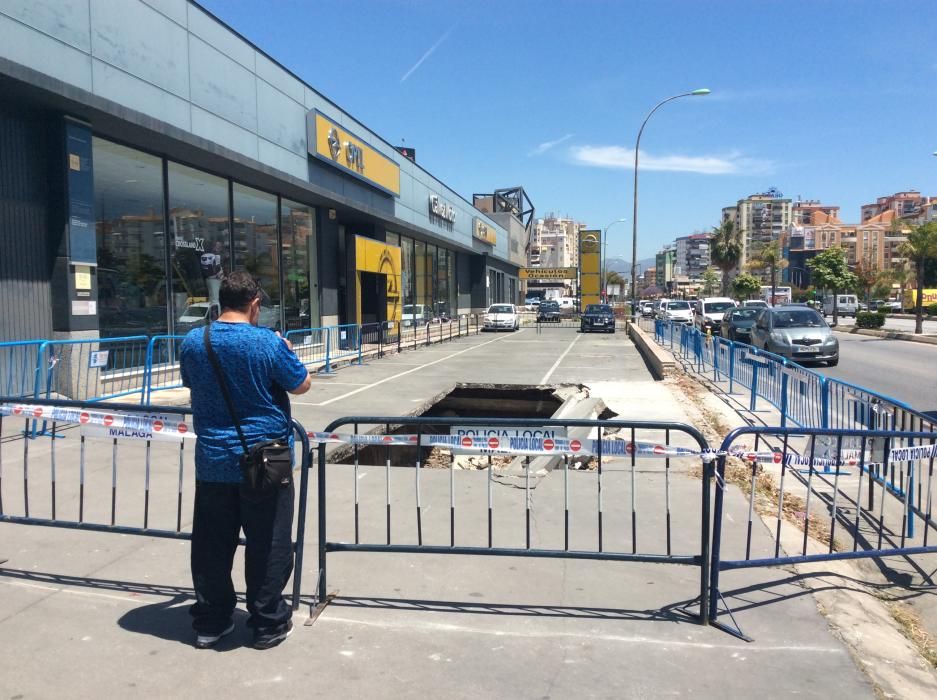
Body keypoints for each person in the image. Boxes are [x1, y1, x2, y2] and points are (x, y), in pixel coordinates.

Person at [180, 271, 311, 650]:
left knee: (211, 546)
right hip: (265, 462)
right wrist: (285, 349)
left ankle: (211, 620)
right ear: (255, 304)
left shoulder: (193, 341)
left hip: (213, 460)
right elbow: (300, 383)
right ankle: (267, 622)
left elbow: (193, 383)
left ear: (221, 301)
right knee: (268, 543)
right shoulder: (266, 343)